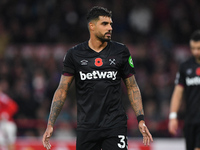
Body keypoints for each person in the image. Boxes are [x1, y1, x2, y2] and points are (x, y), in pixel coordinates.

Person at [43, 6, 153, 150]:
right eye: (105, 24)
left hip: (115, 125)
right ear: (92, 26)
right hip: (87, 127)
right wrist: (51, 123)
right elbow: (62, 89)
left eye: (111, 24)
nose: (110, 28)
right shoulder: (74, 54)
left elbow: (132, 86)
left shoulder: (121, 51)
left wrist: (140, 119)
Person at [168, 30, 200, 150]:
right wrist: (172, 116)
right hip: (190, 120)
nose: (196, 51)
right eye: (193, 48)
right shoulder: (185, 66)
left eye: (198, 48)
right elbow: (178, 93)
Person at [0, 79, 18, 150]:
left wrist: (5, 115)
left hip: (7, 123)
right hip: (1, 124)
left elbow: (14, 106)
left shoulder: (2, 97)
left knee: (10, 142)